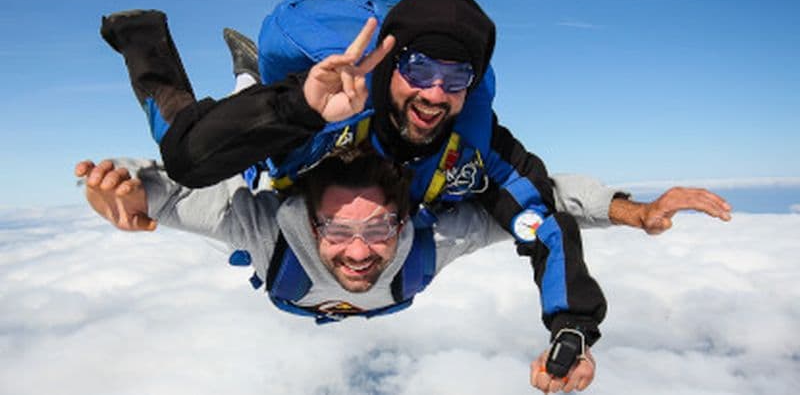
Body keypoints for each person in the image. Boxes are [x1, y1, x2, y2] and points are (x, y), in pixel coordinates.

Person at [98, 0, 731, 394]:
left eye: (456, 78)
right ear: (392, 66)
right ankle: (174, 50)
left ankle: (334, 33)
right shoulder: (324, 128)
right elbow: (185, 174)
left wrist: (578, 316)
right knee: (214, 150)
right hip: (310, 135)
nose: (435, 93)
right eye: (421, 69)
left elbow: (541, 212)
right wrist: (298, 107)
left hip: (353, 171)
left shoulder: (470, 156)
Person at [76, 149, 593, 393]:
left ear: (403, 220)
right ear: (310, 222)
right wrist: (117, 191)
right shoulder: (266, 233)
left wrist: (627, 211)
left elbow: (540, 204)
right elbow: (166, 196)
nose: (359, 251)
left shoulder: (430, 243)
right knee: (246, 164)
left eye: (379, 227)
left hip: (296, 283)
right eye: (339, 230)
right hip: (280, 249)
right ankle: (249, 82)